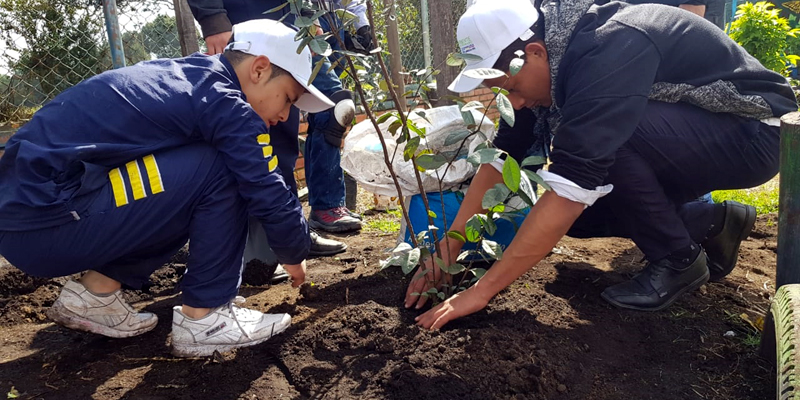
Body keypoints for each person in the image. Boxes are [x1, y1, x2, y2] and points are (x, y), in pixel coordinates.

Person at [408, 0, 797, 329]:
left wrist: (481, 292)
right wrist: (450, 246)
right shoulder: (543, 59)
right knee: (579, 217)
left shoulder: (611, 44)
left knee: (599, 147)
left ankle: (679, 259)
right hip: (692, 137)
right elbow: (505, 152)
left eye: (511, 91)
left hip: (755, 132)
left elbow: (576, 175)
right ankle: (709, 222)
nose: (518, 103)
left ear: (535, 53)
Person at [0, 20, 332, 357]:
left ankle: (95, 295)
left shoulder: (191, 79)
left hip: (34, 217)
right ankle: (206, 319)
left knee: (191, 183)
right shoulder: (225, 102)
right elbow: (265, 184)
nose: (285, 114)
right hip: (47, 222)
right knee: (221, 166)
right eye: (288, 98)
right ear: (259, 69)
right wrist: (294, 251)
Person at [189, 0, 369, 241]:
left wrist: (307, 14)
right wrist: (212, 16)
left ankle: (290, 230)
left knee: (284, 125)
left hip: (292, 19)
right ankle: (257, 239)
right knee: (250, 128)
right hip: (243, 17)